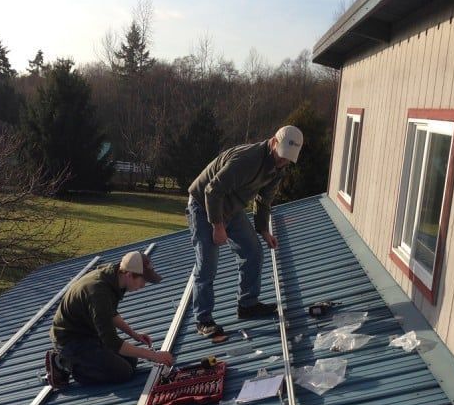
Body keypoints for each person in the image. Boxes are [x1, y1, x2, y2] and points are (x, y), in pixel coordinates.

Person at [186, 125, 303, 337]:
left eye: (288, 159)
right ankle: (203, 320)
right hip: (204, 206)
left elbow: (264, 200)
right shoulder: (247, 160)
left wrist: (263, 230)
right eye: (282, 157)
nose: (283, 162)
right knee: (207, 264)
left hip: (232, 208)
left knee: (253, 251)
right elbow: (212, 191)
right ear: (273, 142)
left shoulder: (279, 167)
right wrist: (218, 226)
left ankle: (247, 305)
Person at [45, 251, 175, 389]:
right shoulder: (99, 291)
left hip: (88, 333)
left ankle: (79, 359)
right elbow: (112, 341)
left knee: (131, 361)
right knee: (122, 373)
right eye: (143, 281)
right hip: (70, 340)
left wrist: (134, 334)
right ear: (129, 275)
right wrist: (153, 356)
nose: (143, 285)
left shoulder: (113, 277)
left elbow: (110, 313)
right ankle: (64, 363)